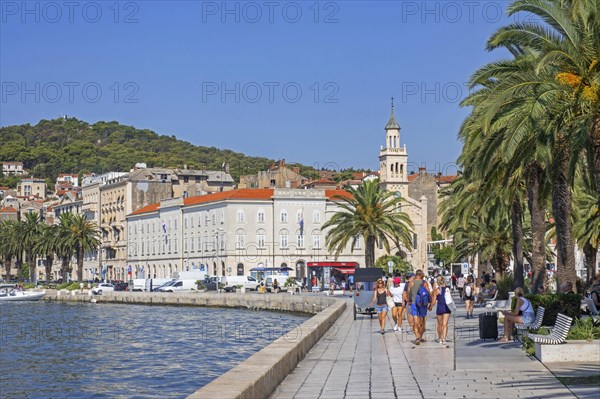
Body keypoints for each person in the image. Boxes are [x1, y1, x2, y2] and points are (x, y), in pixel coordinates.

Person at [407, 269, 431, 345]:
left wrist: (409, 301)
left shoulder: (411, 283)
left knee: (415, 321)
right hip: (423, 304)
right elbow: (428, 293)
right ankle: (420, 336)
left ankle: (417, 337)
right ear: (421, 275)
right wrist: (430, 303)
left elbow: (408, 293)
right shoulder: (424, 283)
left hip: (414, 303)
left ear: (416, 275)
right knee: (422, 321)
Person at [429, 275, 452, 344]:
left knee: (439, 324)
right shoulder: (447, 289)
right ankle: (444, 338)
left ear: (438, 282)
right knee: (445, 324)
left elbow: (433, 301)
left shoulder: (436, 290)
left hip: (440, 308)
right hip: (447, 308)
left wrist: (430, 307)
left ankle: (440, 338)